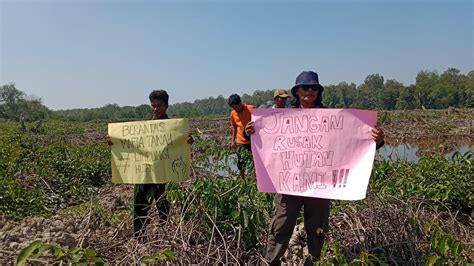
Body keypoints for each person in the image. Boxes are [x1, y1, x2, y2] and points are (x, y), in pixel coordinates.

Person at [245, 71, 385, 265]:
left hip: (319, 186)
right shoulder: (281, 117)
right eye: (305, 87)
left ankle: (314, 262)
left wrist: (377, 141)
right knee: (281, 225)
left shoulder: (332, 117)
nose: (310, 91)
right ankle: (272, 261)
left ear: (319, 91)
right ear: (296, 91)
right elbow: (259, 145)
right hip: (288, 184)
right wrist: (250, 134)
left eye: (314, 88)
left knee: (317, 228)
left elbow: (351, 142)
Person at [108, 89, 193, 238]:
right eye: (153, 105)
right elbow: (131, 144)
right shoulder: (144, 128)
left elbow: (180, 147)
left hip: (164, 175)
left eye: (159, 105)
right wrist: (114, 142)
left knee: (164, 207)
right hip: (144, 174)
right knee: (139, 206)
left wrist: (188, 141)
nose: (155, 109)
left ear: (166, 106)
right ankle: (140, 238)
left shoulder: (174, 128)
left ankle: (164, 238)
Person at [228, 94, 254, 179]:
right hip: (241, 142)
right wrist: (233, 141)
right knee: (241, 164)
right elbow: (234, 127)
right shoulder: (233, 113)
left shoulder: (252, 109)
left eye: (235, 107)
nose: (234, 109)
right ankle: (243, 181)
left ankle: (256, 180)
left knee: (255, 163)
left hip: (253, 141)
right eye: (233, 108)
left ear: (240, 103)